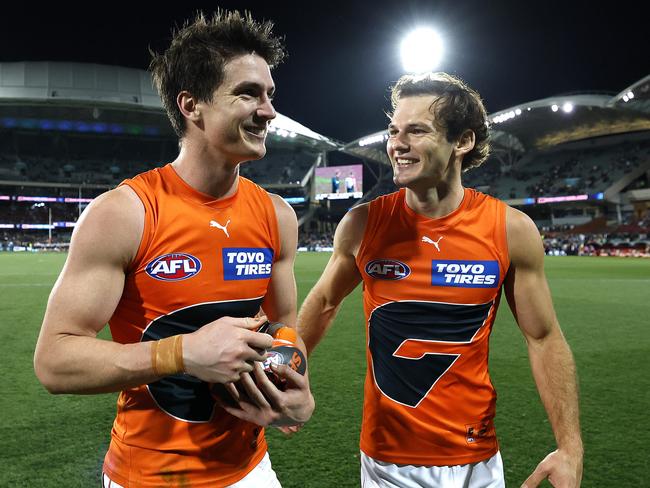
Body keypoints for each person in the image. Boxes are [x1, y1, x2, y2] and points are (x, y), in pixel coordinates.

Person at [34, 10, 314, 488]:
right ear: (192, 105)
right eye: (248, 93)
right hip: (149, 476)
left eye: (270, 95)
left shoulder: (277, 216)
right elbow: (54, 361)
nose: (268, 111)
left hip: (252, 470)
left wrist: (296, 390)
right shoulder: (125, 212)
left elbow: (284, 331)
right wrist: (182, 353)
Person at [297, 72, 582, 488]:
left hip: (476, 459)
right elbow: (323, 301)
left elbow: (544, 338)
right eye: (394, 131)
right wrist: (288, 369)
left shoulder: (509, 230)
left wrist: (570, 447)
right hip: (387, 461)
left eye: (417, 130)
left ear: (462, 141)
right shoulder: (363, 224)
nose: (397, 143)